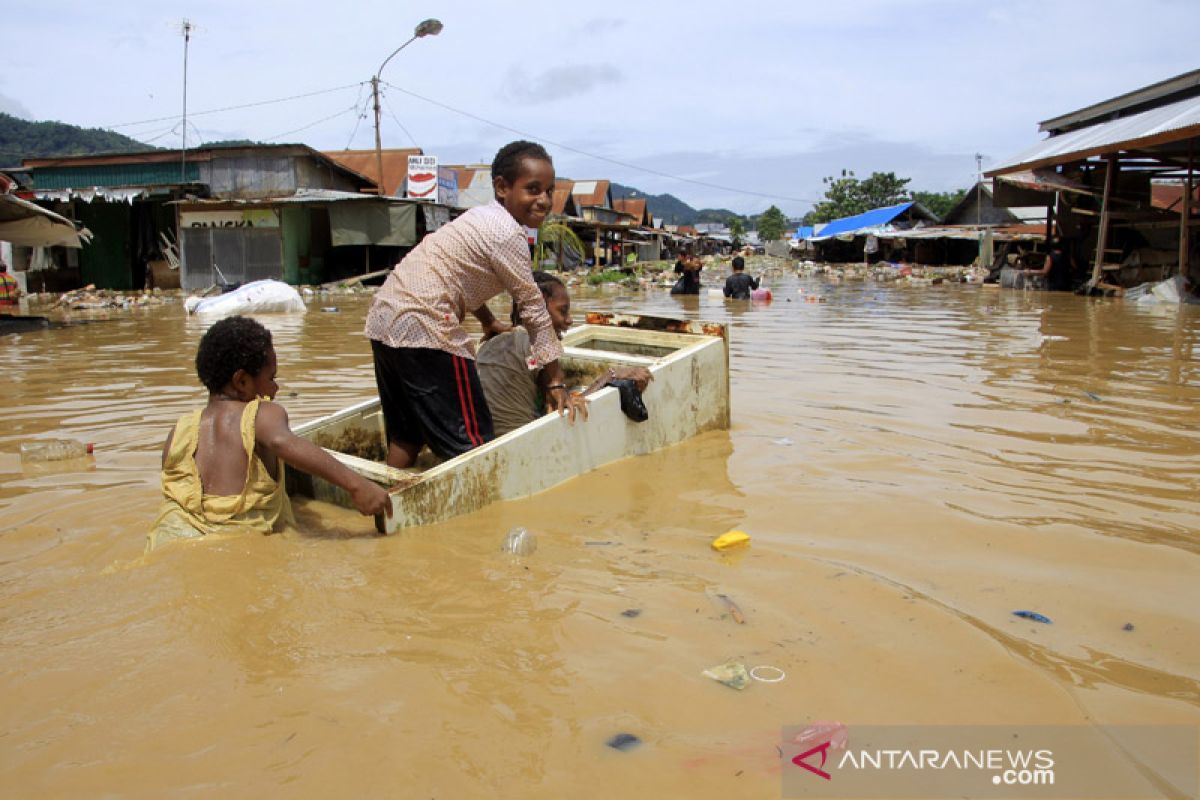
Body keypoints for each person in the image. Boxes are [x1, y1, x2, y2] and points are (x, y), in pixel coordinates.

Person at [365, 140, 572, 468]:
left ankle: (387, 511)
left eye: (549, 191)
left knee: (406, 433)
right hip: (426, 326)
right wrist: (556, 380)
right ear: (502, 187)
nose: (544, 201)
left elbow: (458, 277)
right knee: (473, 444)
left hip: (383, 320)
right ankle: (489, 516)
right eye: (533, 189)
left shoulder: (478, 218)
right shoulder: (507, 234)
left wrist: (488, 322)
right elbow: (533, 308)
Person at [148, 316, 391, 551]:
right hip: (236, 545)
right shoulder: (261, 414)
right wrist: (358, 486)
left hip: (169, 536)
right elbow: (280, 441)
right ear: (242, 382)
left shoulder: (179, 430)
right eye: (271, 378)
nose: (276, 387)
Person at [477, 271, 651, 437]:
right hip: (521, 443)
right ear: (538, 312)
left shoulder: (490, 342)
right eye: (562, 311)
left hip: (484, 439)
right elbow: (564, 409)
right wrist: (611, 376)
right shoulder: (536, 346)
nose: (569, 320)